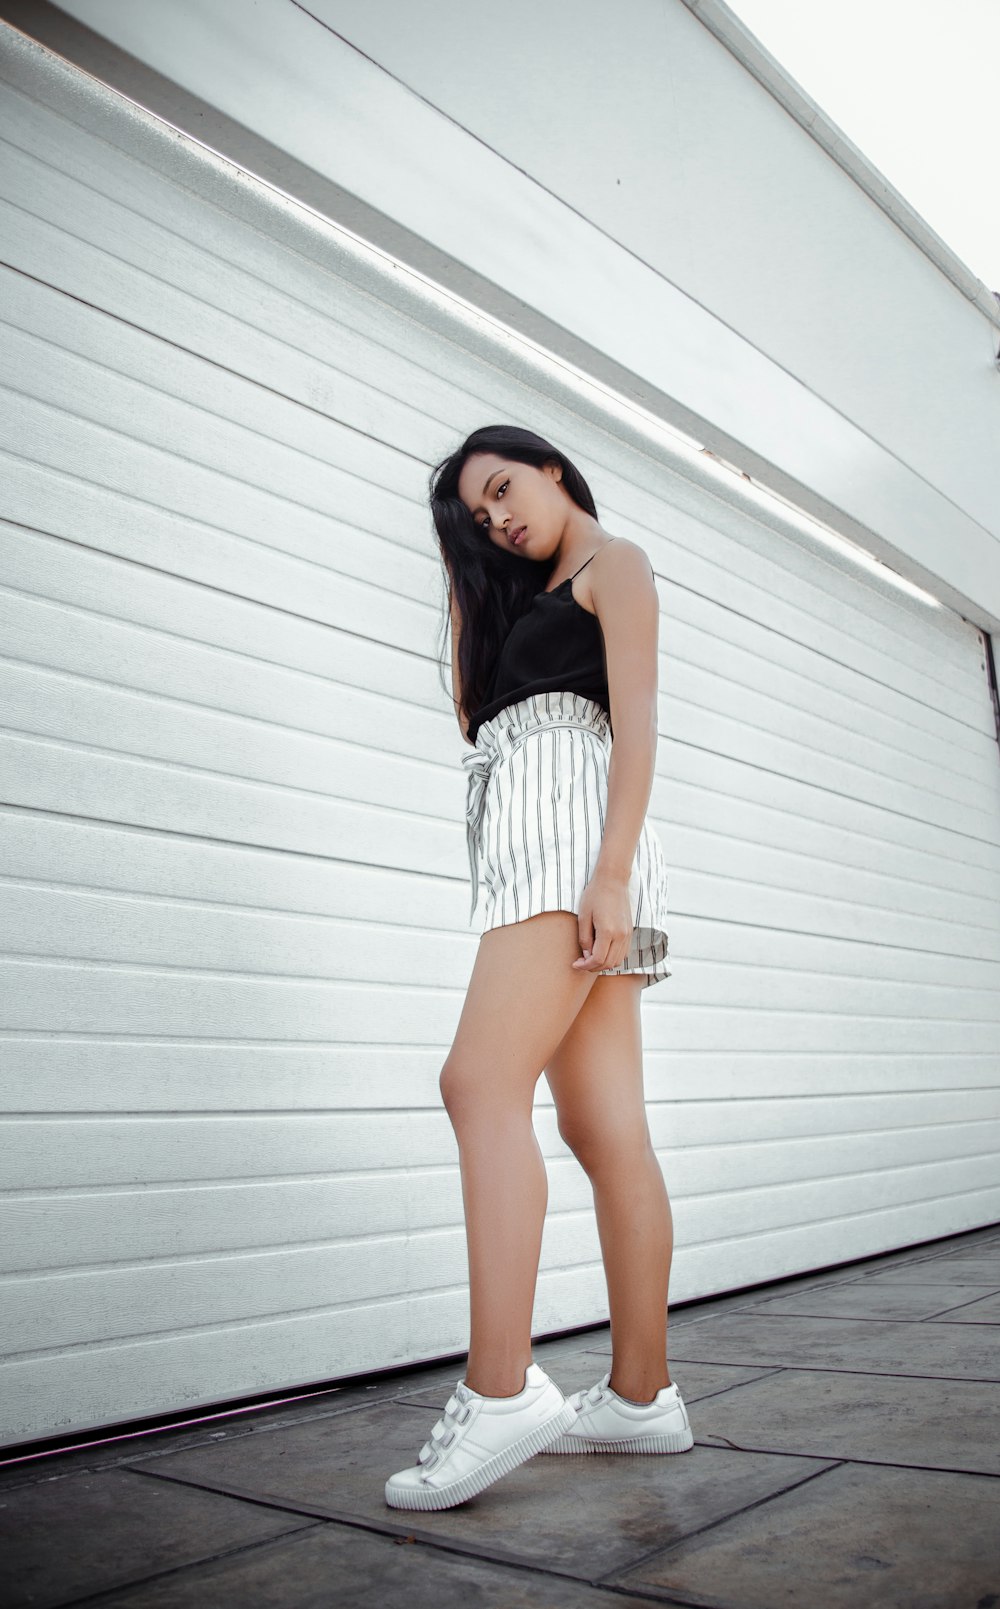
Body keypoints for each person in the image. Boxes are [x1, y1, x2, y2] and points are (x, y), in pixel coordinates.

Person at [385, 424, 693, 1512]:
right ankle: (643, 1397)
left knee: (476, 1084)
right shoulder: (522, 597)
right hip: (548, 847)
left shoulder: (618, 566)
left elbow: (641, 722)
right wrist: (474, 579)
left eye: (505, 489)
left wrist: (608, 876)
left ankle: (502, 1387)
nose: (499, 517)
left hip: (574, 853)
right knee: (604, 1130)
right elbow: (476, 712)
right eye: (478, 515)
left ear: (554, 466)